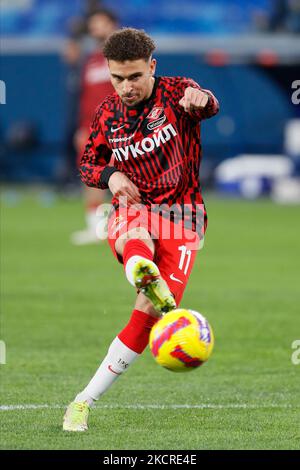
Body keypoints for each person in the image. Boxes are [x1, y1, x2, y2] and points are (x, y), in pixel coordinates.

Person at [63, 28, 219, 431]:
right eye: (118, 78)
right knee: (136, 234)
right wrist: (111, 175)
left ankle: (82, 400)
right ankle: (140, 267)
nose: (126, 87)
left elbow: (205, 104)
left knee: (145, 319)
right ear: (109, 74)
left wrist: (201, 100)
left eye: (134, 76)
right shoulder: (107, 115)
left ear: (152, 67)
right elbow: (86, 164)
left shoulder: (178, 92)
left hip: (185, 218)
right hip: (135, 209)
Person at [71, 8, 118, 245]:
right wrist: (82, 127)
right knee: (92, 177)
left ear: (112, 24)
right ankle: (97, 227)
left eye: (99, 23)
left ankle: (143, 224)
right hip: (92, 129)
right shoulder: (91, 59)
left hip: (120, 127)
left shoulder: (123, 55)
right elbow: (86, 97)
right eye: (93, 24)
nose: (94, 29)